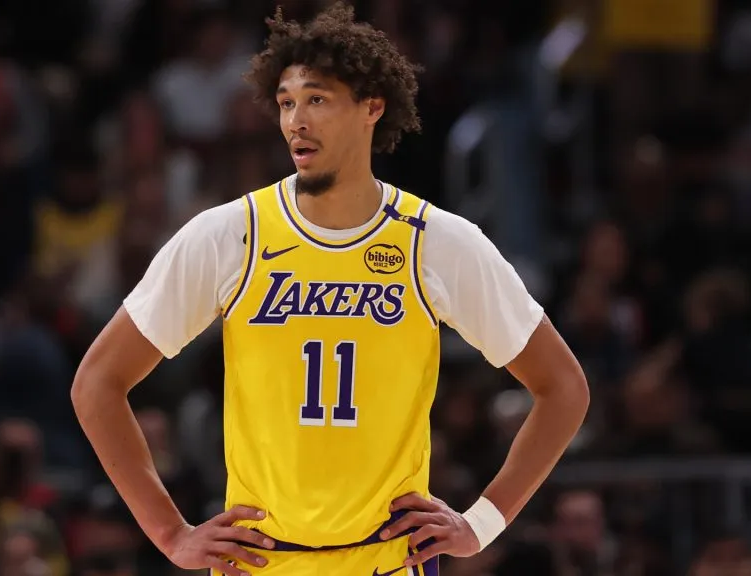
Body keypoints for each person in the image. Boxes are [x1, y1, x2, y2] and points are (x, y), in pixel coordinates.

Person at [72, 4, 590, 576]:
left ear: (372, 106)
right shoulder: (229, 235)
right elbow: (97, 383)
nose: (296, 120)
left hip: (387, 561)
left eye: (316, 99)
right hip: (260, 563)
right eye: (286, 103)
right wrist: (170, 533)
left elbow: (563, 387)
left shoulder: (435, 242)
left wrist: (482, 523)